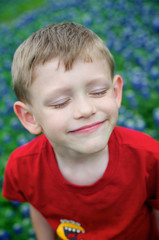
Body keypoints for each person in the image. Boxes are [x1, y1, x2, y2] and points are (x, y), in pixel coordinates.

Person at [2, 22, 159, 240]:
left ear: (115, 93)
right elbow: (37, 204)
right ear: (30, 117)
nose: (85, 110)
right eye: (59, 102)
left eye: (98, 91)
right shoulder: (23, 166)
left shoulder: (150, 157)